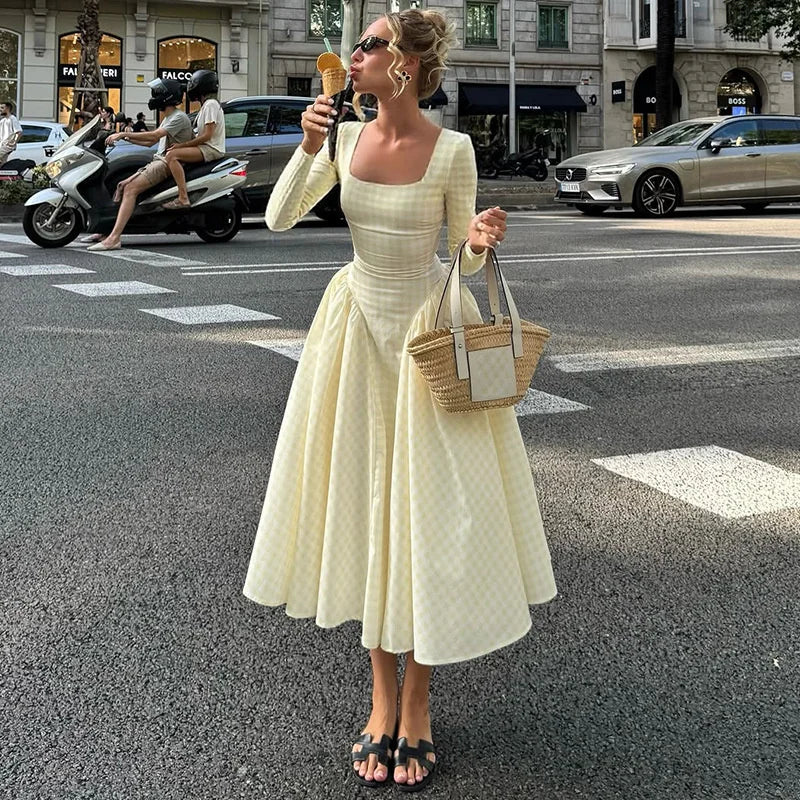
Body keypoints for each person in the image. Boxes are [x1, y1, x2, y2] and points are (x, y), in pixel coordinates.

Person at [242, 8, 557, 793]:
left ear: (407, 66)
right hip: (351, 333)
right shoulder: (343, 138)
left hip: (422, 336)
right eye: (358, 44)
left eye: (371, 44)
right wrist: (310, 147)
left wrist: (479, 241)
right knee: (364, 510)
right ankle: (379, 699)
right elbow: (278, 216)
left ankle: (416, 701)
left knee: (419, 516)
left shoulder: (452, 148)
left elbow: (457, 251)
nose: (354, 55)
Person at [85, 79, 192, 251]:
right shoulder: (169, 118)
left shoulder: (178, 117)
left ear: (166, 96)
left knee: (130, 189)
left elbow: (155, 136)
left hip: (165, 163)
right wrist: (125, 138)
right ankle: (106, 230)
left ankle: (114, 239)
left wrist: (121, 134)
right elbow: (151, 143)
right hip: (159, 160)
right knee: (120, 186)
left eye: (156, 93)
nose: (153, 97)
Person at [161, 69, 225, 209]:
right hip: (206, 147)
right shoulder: (206, 106)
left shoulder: (211, 105)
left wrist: (182, 146)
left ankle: (183, 198)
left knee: (172, 155)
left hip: (211, 149)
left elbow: (207, 135)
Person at [0, 101, 22, 168]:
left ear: (8, 108)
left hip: (7, 145)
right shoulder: (2, 121)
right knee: (3, 163)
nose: (0, 109)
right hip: (2, 144)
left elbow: (19, 132)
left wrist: (14, 142)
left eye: (2, 108)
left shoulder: (13, 119)